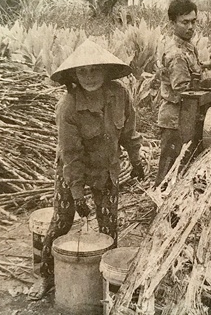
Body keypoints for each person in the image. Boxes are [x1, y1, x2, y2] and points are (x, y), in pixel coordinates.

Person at [28, 39, 145, 300]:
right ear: (74, 75)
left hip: (106, 170)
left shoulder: (120, 94)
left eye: (94, 70)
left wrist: (137, 160)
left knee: (109, 227)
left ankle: (103, 283)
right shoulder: (68, 106)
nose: (89, 77)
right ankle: (46, 276)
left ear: (105, 70)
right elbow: (72, 155)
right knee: (61, 221)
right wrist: (78, 193)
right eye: (83, 71)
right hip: (73, 172)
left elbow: (128, 133)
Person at [154, 0, 211, 186]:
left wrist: (207, 65)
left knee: (179, 167)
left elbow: (191, 68)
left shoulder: (185, 46)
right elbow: (183, 88)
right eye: (185, 22)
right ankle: (159, 209)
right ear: (172, 23)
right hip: (176, 119)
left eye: (193, 21)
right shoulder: (176, 54)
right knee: (169, 171)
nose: (191, 27)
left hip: (183, 116)